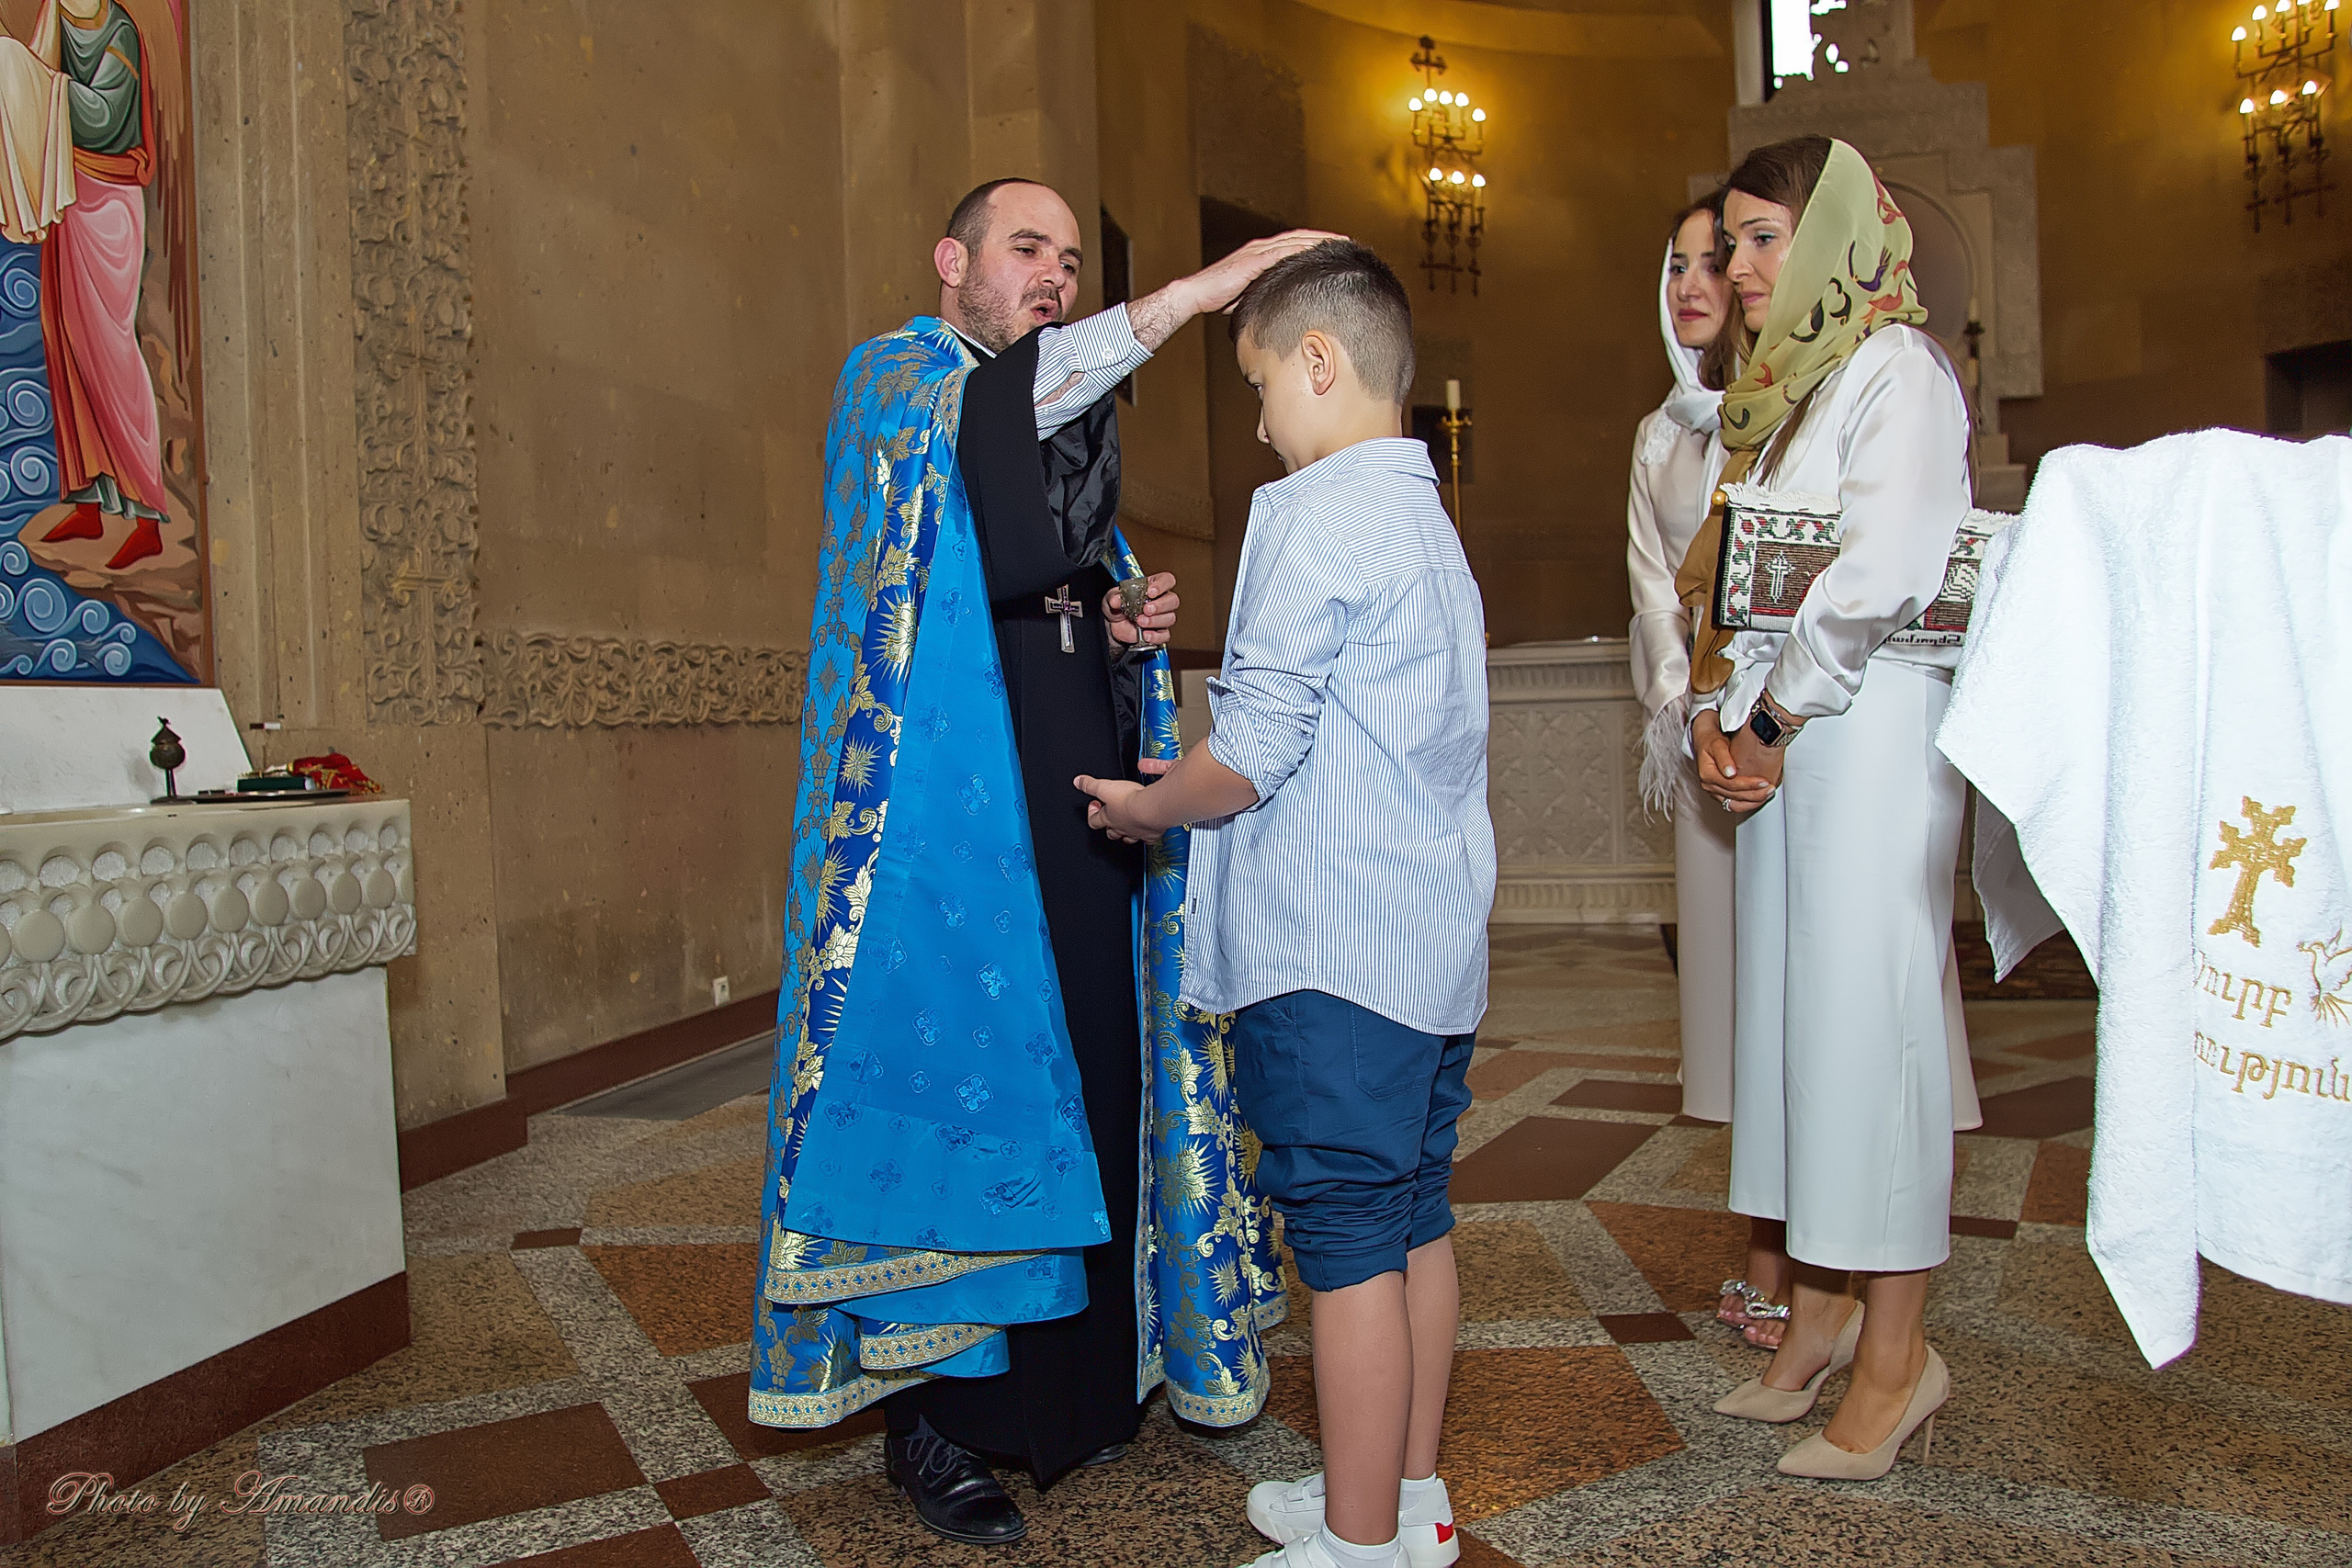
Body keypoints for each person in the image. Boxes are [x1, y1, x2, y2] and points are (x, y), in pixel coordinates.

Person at [747, 175, 1333, 1548]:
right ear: (952, 259)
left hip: (1078, 822)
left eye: (1071, 260)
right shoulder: (899, 380)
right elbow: (964, 467)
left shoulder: (1050, 416)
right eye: (1028, 250)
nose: (1053, 276)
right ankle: (942, 1423)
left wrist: (1123, 623)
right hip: (951, 849)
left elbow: (1037, 581)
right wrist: (1182, 299)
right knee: (975, 1084)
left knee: (1094, 1064)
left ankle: (1080, 1385)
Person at [1078, 239, 1492, 1568]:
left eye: (1262, 386)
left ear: (1321, 362)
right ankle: (1407, 1492)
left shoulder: (1313, 514)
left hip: (1334, 950)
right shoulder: (1426, 516)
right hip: (1426, 944)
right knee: (1413, 1211)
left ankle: (1361, 1542)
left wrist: (1148, 804)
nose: (1258, 422)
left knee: (1347, 1242)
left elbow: (1251, 751)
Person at [1679, 135, 1969, 1478]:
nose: (1737, 267)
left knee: (1874, 1040)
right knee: (1798, 1043)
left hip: (1864, 742)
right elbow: (1736, 584)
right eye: (1728, 242)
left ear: (1840, 233)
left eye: (1761, 238)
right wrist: (1723, 725)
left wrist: (1775, 714)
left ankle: (1903, 1357)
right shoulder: (1786, 390)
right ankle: (1825, 1313)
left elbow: (1887, 568)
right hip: (1789, 748)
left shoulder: (1897, 370)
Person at [1624, 192, 1789, 1343]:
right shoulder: (1658, 435)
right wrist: (1688, 719)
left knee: (1807, 1001)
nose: (1693, 281)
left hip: (1797, 734)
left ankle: (1817, 1260)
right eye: (1676, 262)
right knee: (1738, 1008)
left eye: (1715, 259)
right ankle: (1763, 1244)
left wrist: (1764, 719)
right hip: (1703, 750)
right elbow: (1650, 592)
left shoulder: (1797, 404)